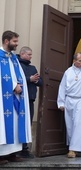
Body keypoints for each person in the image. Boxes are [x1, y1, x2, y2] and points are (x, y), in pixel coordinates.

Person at [0, 30, 32, 164]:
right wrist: (13, 86)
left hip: (15, 98)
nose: (16, 44)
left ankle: (12, 153)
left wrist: (20, 86)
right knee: (3, 125)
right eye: (14, 41)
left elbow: (18, 74)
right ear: (6, 41)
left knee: (14, 124)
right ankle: (1, 155)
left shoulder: (13, 57)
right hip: (3, 99)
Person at [17, 46, 43, 158]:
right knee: (19, 124)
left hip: (30, 100)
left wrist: (36, 79)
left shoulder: (32, 68)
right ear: (22, 54)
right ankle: (16, 149)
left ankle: (25, 149)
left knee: (28, 124)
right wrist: (29, 79)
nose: (31, 56)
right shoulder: (17, 65)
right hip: (19, 99)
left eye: (31, 54)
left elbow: (40, 82)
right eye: (29, 54)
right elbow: (15, 80)